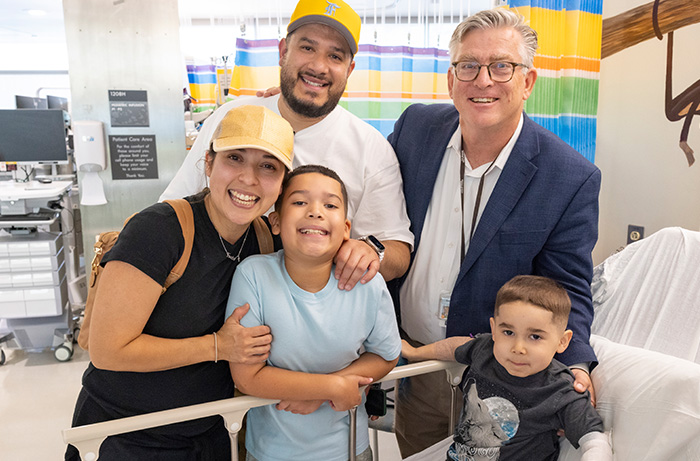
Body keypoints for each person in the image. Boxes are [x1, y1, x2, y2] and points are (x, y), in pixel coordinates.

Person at [388, 8, 602, 456]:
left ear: (527, 82)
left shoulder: (569, 176)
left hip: (501, 379)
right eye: (469, 65)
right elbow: (364, 189)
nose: (483, 80)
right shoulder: (415, 129)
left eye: (502, 65)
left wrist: (577, 362)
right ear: (451, 80)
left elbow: (568, 286)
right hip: (419, 366)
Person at [65, 105, 294, 460]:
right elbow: (108, 350)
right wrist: (217, 346)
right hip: (124, 436)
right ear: (208, 164)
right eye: (235, 158)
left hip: (211, 433)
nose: (249, 179)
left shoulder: (267, 241)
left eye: (268, 166)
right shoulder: (160, 230)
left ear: (281, 184)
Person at [161, 0, 413, 291]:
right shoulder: (234, 117)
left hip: (314, 317)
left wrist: (369, 254)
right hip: (206, 305)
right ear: (283, 51)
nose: (319, 66)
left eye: (335, 55)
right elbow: (173, 208)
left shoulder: (371, 148)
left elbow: (398, 252)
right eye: (307, 48)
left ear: (349, 68)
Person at [226, 164, 401, 461]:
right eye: (299, 202)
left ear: (346, 229)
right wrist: (331, 387)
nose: (315, 212)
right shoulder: (254, 276)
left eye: (330, 204)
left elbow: (386, 354)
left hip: (349, 448)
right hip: (271, 452)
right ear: (276, 222)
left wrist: (320, 394)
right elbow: (247, 375)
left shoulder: (367, 283)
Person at [401, 275, 612, 461]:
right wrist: (414, 352)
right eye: (508, 333)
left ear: (562, 342)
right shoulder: (485, 350)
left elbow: (594, 441)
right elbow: (454, 346)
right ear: (493, 329)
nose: (518, 348)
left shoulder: (561, 391)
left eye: (535, 336)